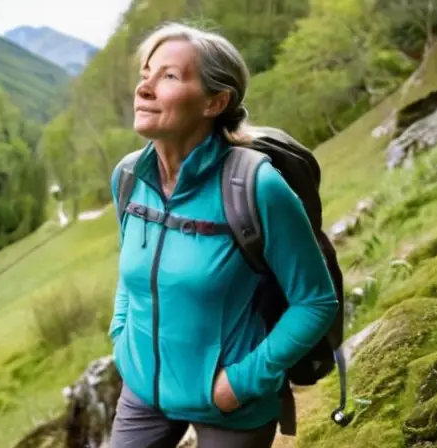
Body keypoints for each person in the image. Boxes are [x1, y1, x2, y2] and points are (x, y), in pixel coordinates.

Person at [107, 22, 339, 448]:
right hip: (142, 391)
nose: (145, 89)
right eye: (146, 75)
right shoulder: (127, 178)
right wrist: (121, 337)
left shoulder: (256, 187)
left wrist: (241, 382)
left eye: (170, 77)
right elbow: (132, 272)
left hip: (230, 403)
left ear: (215, 101)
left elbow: (316, 301)